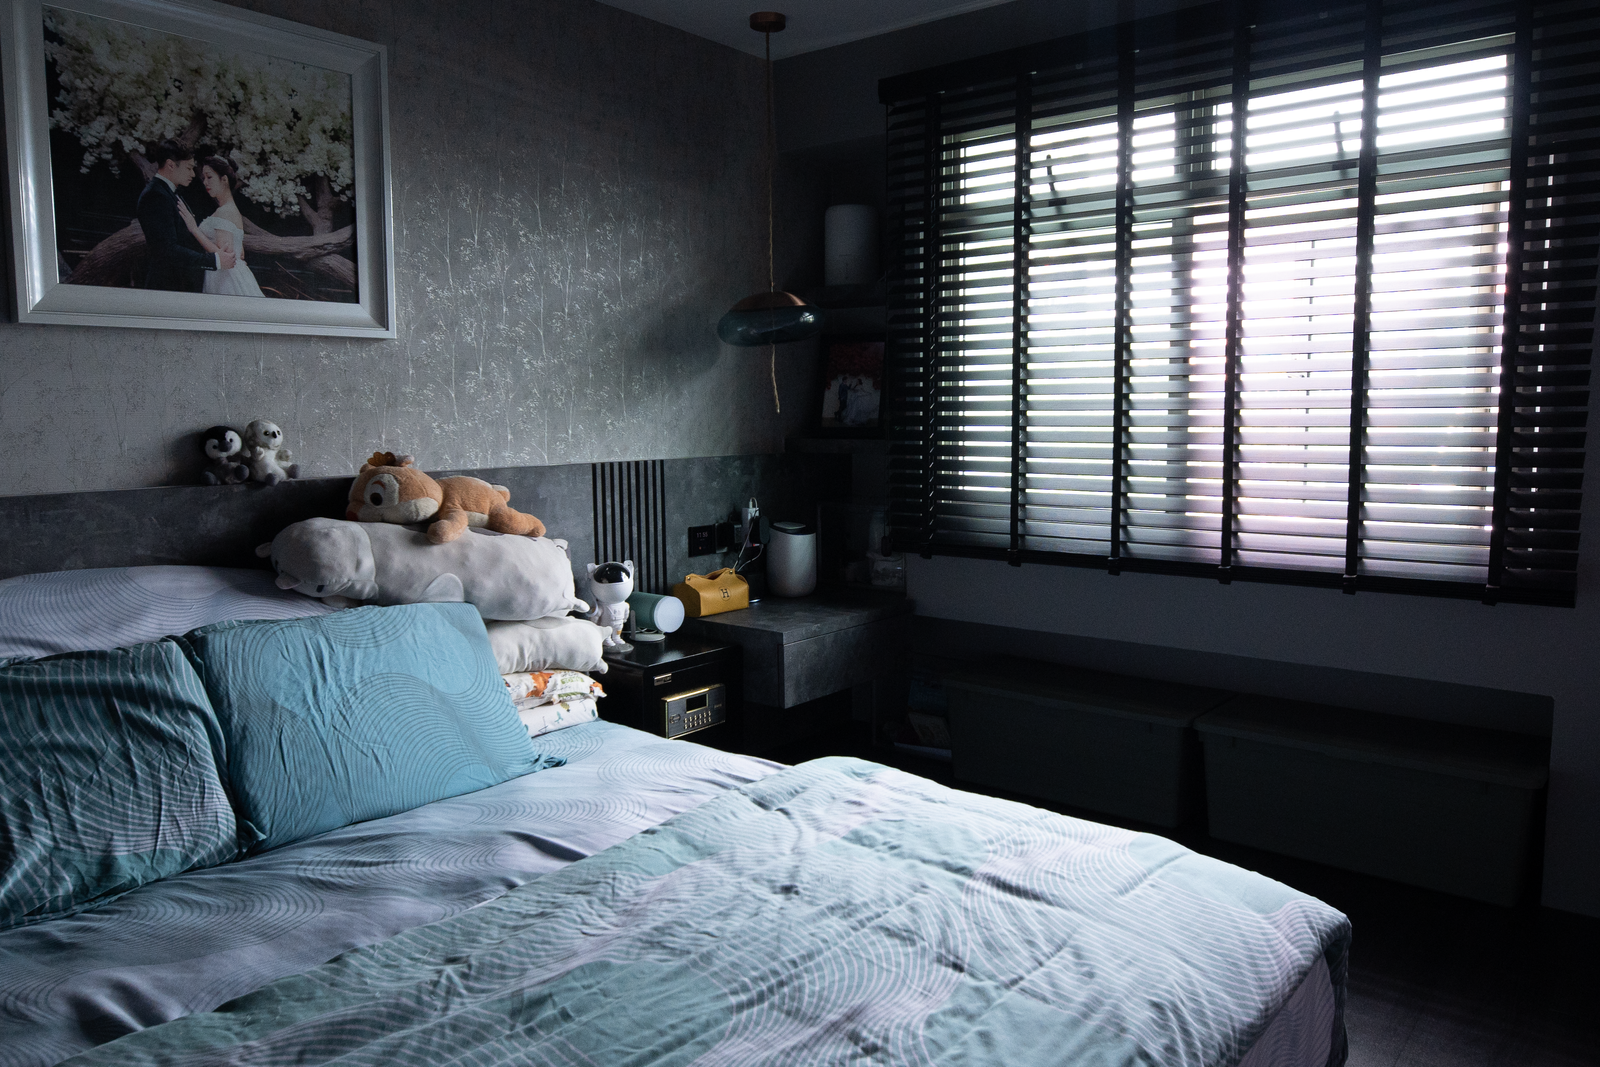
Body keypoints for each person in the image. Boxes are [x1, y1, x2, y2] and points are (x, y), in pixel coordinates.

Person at [135, 141, 233, 291]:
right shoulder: (155, 195)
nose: (193, 174)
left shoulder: (169, 193)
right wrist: (214, 261)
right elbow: (167, 250)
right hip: (166, 286)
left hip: (178, 282)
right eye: (188, 168)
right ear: (171, 165)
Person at [178, 156, 263, 297]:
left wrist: (194, 229)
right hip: (226, 275)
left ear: (224, 180)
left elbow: (226, 257)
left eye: (209, 177)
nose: (205, 182)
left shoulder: (225, 211)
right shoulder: (229, 209)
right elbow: (240, 253)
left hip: (226, 279)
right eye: (203, 178)